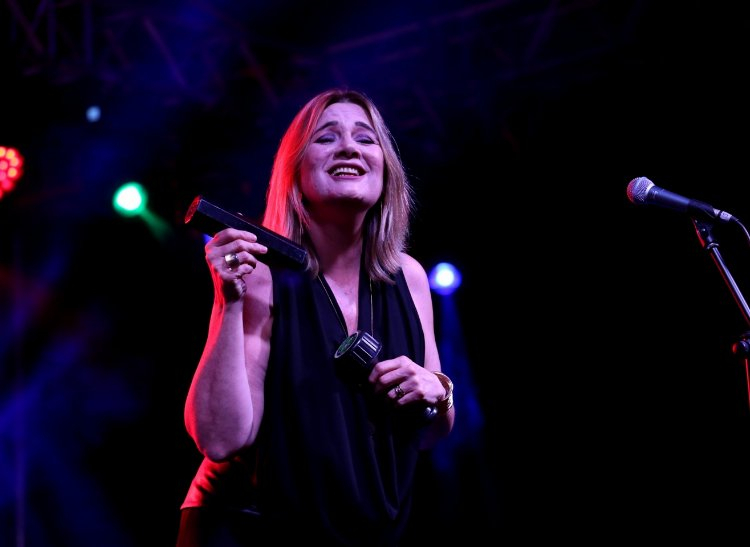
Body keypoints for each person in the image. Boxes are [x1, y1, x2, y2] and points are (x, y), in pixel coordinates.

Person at [176, 88, 455, 546]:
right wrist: (229, 302)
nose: (349, 148)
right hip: (249, 525)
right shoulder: (262, 275)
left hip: (358, 529)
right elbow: (222, 439)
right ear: (296, 171)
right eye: (326, 138)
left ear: (386, 167)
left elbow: (430, 434)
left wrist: (439, 391)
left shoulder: (409, 277)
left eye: (365, 138)